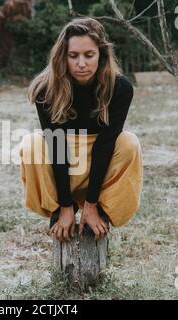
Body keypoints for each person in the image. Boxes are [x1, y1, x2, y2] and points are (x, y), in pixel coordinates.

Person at [19, 17, 143, 243]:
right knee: (31, 144)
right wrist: (66, 206)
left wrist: (92, 204)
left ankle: (101, 212)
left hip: (99, 164)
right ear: (63, 56)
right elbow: (55, 145)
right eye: (73, 56)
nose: (81, 63)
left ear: (101, 55)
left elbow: (105, 146)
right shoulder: (46, 89)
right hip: (62, 161)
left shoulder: (120, 88)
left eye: (89, 55)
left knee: (129, 143)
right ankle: (58, 210)